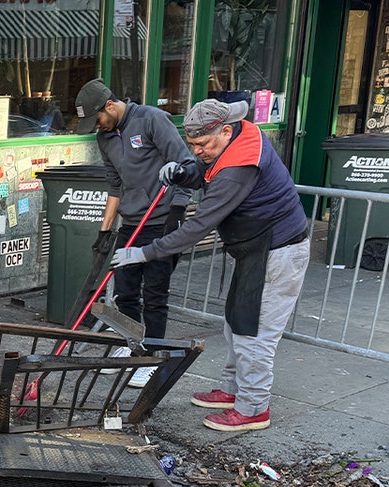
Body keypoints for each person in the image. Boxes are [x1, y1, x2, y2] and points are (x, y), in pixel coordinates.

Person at [111, 98, 310, 432]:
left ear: (226, 130)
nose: (197, 150)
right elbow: (204, 169)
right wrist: (185, 172)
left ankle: (253, 408)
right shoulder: (232, 141)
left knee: (255, 335)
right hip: (257, 250)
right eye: (191, 145)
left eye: (201, 144)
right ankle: (234, 392)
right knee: (236, 324)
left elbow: (196, 227)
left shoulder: (238, 169)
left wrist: (145, 252)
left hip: (278, 253)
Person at [75, 78, 193, 388]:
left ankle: (151, 357)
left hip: (162, 221)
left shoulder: (151, 119)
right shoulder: (105, 139)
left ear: (110, 106)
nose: (96, 127)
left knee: (154, 294)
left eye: (96, 119)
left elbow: (184, 164)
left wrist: (178, 211)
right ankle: (131, 344)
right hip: (131, 223)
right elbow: (115, 186)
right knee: (125, 292)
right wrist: (104, 230)